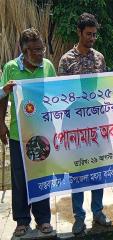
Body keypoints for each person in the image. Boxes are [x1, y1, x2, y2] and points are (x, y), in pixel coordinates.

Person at [58, 13, 111, 235]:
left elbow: (106, 88)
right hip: (75, 125)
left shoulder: (99, 58)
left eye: (94, 35)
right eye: (88, 34)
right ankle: (79, 216)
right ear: (79, 33)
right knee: (78, 170)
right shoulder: (66, 60)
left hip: (98, 122)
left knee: (98, 167)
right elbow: (60, 95)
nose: (92, 38)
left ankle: (98, 211)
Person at [0, 27, 55, 237]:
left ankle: (43, 219)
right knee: (19, 178)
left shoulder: (48, 66)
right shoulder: (11, 68)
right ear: (24, 51)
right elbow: (2, 97)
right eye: (35, 51)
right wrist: (0, 125)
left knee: (42, 176)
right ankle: (22, 220)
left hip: (43, 133)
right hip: (18, 134)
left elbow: (57, 95)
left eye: (42, 49)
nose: (41, 54)